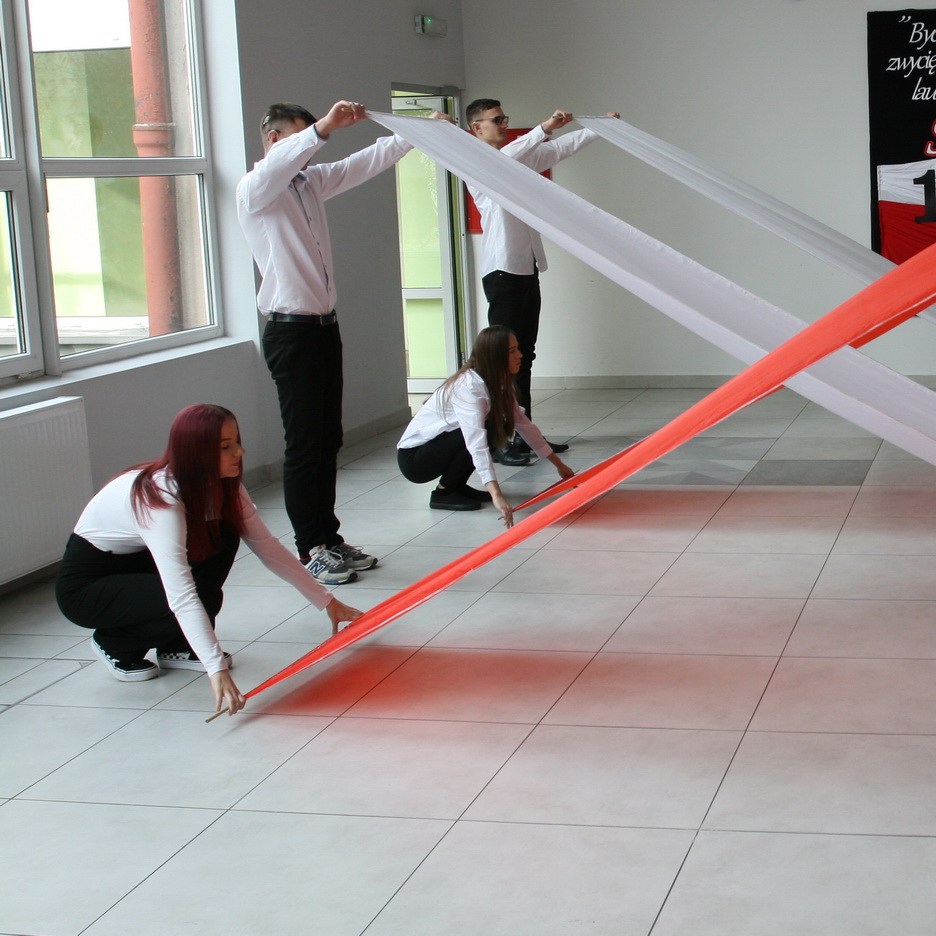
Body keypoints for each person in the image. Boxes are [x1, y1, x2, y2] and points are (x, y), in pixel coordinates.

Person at [56, 404, 361, 717]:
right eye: (225, 447)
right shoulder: (160, 500)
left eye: (236, 441)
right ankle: (114, 643)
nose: (239, 452)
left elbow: (268, 548)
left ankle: (177, 645)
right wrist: (216, 669)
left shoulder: (225, 485)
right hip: (88, 588)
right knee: (196, 598)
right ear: (196, 453)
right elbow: (181, 593)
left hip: (141, 567)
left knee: (224, 536)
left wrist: (328, 602)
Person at [238, 100, 417, 584]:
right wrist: (324, 127)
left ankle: (329, 538)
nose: (311, 152)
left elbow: (363, 163)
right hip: (290, 333)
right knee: (303, 446)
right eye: (302, 140)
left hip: (322, 329)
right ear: (276, 139)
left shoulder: (308, 183)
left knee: (327, 440)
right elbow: (284, 161)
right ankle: (311, 548)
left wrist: (417, 132)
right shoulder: (257, 187)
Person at [464, 101, 617, 463]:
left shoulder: (516, 161)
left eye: (505, 118)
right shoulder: (477, 162)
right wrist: (544, 127)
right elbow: (515, 154)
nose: (504, 124)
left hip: (525, 269)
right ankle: (500, 440)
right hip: (502, 273)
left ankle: (524, 433)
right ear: (476, 128)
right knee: (501, 360)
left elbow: (557, 149)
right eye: (497, 120)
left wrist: (599, 129)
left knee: (522, 356)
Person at [397, 325, 576, 524]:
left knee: (495, 428)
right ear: (494, 357)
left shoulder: (499, 382)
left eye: (517, 348)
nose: (520, 355)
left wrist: (560, 466)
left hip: (437, 449)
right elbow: (475, 443)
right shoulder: (468, 387)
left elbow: (524, 425)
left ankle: (456, 486)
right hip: (415, 460)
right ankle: (444, 493)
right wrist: (496, 494)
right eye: (512, 351)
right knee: (484, 432)